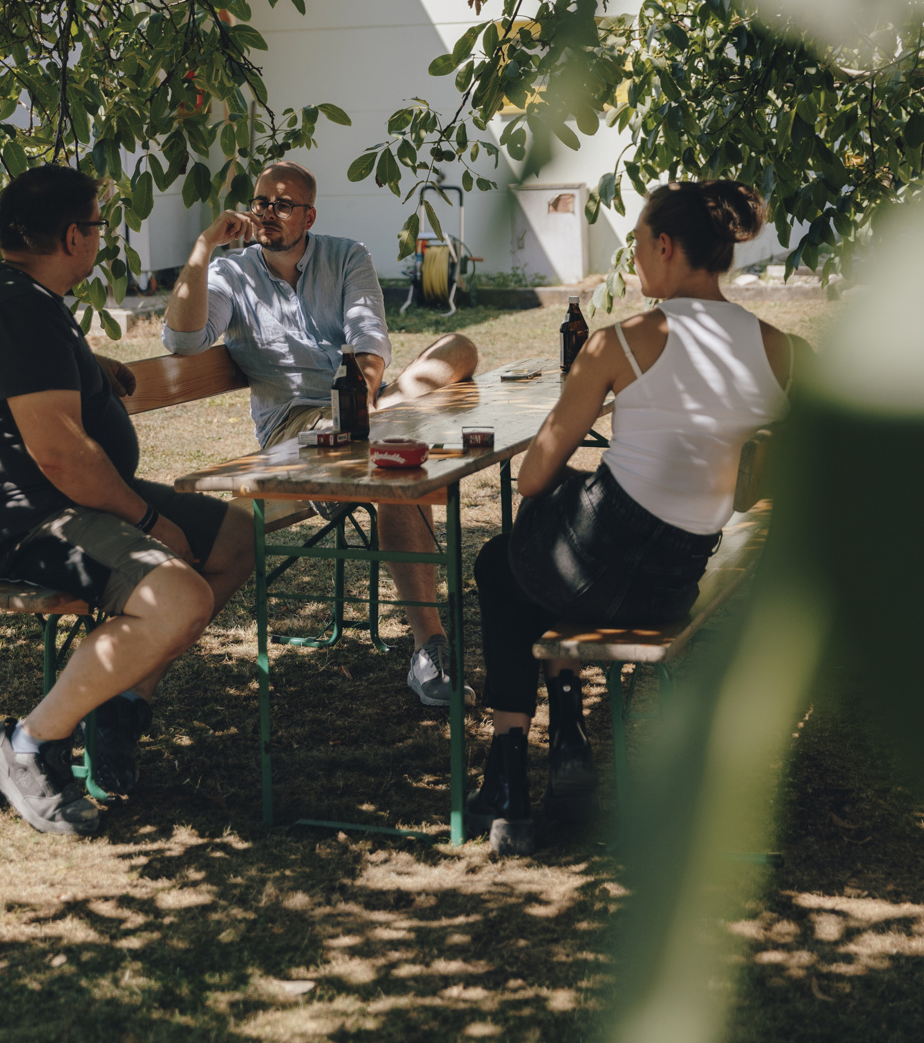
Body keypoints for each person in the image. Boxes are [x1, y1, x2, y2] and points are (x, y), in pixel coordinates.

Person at [468, 180, 804, 857]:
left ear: (664, 244)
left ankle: (509, 772)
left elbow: (531, 475)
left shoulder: (621, 341)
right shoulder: (782, 349)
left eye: (637, 244)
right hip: (671, 585)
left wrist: (574, 475)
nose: (636, 260)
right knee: (536, 562)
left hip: (586, 563)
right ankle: (565, 728)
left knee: (502, 565)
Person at [0, 165, 256, 837]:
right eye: (100, 226)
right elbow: (59, 453)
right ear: (75, 235)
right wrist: (148, 520)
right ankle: (25, 746)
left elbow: (41, 377)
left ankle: (120, 700)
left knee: (234, 537)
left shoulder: (29, 297)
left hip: (62, 501)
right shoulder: (17, 306)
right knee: (180, 595)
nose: (101, 239)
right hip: (23, 520)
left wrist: (93, 366)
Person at [162, 159, 480, 708]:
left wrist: (358, 404)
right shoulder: (230, 273)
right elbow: (183, 342)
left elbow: (368, 337)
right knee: (396, 461)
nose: (267, 214)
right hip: (293, 431)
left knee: (457, 351)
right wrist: (202, 248)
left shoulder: (347, 255)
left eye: (282, 205)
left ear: (308, 215)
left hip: (359, 404)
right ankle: (431, 646)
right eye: (261, 202)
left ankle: (376, 430)